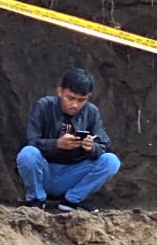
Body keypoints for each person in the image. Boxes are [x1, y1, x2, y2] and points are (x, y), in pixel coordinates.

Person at [16, 67, 120, 212]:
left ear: (88, 97)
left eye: (81, 100)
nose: (75, 105)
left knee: (111, 161)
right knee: (28, 153)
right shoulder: (44, 106)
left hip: (73, 174)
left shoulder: (91, 112)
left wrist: (91, 148)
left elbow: (105, 146)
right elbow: (31, 141)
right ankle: (36, 199)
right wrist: (56, 144)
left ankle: (71, 200)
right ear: (60, 91)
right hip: (44, 170)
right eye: (70, 98)